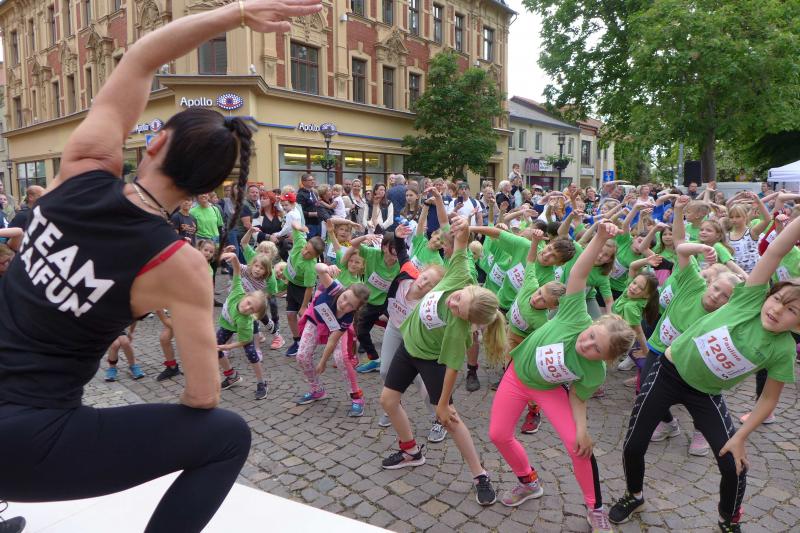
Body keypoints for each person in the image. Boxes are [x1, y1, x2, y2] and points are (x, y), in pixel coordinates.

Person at [0, 1, 322, 531]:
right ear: (205, 189)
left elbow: (142, 57)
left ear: (154, 143)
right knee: (227, 436)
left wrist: (237, 13)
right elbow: (204, 395)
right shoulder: (179, 264)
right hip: (24, 443)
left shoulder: (84, 164)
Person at [609, 205, 800, 533]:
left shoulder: (781, 350)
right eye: (777, 300)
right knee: (634, 443)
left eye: (792, 310)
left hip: (706, 393)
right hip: (668, 373)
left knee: (734, 465)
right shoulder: (749, 300)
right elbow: (777, 249)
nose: (777, 310)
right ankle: (634, 494)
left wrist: (741, 437)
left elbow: (769, 399)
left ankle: (729, 520)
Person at [489, 222, 634, 533]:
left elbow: (578, 397)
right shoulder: (575, 315)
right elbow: (579, 273)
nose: (587, 345)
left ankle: (595, 508)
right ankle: (529, 482)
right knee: (498, 435)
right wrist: (600, 237)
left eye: (597, 349)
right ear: (591, 325)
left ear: (606, 359)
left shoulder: (595, 371)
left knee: (578, 446)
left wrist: (582, 430)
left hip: (547, 390)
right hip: (516, 377)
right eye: (592, 336)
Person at [379, 216, 506, 507]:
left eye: (459, 309)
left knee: (450, 418)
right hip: (409, 347)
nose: (452, 303)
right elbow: (460, 242)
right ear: (468, 288)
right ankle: (411, 451)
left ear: (468, 320)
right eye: (458, 299)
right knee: (388, 400)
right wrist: (463, 226)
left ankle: (480, 475)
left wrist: (443, 404)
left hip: (431, 361)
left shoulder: (458, 330)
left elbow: (451, 368)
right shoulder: (460, 274)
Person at [294, 264, 371, 416]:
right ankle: (317, 389)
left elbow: (332, 340)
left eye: (350, 305)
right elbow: (318, 268)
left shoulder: (347, 317)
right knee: (302, 356)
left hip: (334, 329)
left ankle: (356, 397)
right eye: (345, 298)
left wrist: (323, 362)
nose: (344, 304)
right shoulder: (335, 289)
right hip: (316, 320)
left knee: (341, 358)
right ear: (344, 291)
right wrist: (326, 269)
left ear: (355, 309)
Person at [215, 253, 269, 400]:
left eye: (252, 309)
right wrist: (233, 257)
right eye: (248, 303)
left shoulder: (245, 321)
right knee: (215, 349)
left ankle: (262, 383)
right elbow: (237, 271)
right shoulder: (237, 290)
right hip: (227, 325)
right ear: (245, 296)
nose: (247, 308)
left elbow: (244, 340)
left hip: (241, 330)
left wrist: (228, 347)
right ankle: (232, 376)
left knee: (251, 353)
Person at [297, 172, 321, 237]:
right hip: (308, 224)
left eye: (313, 179)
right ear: (303, 182)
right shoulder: (300, 195)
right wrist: (313, 214)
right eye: (310, 180)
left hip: (317, 222)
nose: (313, 181)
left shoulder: (314, 192)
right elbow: (300, 211)